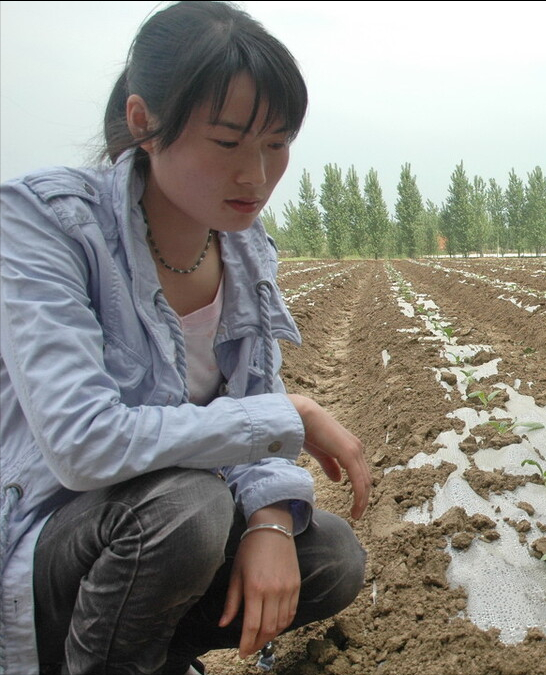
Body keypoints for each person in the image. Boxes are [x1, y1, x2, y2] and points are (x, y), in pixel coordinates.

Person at [0, 3, 371, 673]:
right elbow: (84, 442)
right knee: (189, 507)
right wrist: (287, 415)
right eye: (228, 143)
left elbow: (251, 405)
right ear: (144, 122)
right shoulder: (47, 223)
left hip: (161, 535)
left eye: (277, 143)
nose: (255, 175)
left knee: (330, 557)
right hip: (53, 549)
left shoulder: (246, 251)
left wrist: (270, 520)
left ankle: (149, 657)